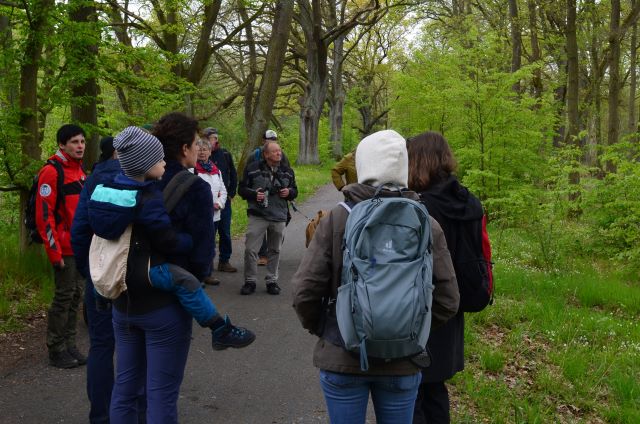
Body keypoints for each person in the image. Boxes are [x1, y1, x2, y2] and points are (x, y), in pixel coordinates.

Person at [291, 129, 460, 424]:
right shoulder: (425, 222)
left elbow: (305, 291)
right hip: (403, 362)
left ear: (364, 164)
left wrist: (328, 328)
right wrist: (410, 329)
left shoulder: (337, 219)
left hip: (342, 356)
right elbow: (448, 299)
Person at [104, 117, 248, 422]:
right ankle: (219, 329)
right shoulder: (193, 187)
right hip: (164, 305)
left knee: (126, 388)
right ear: (184, 148)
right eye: (196, 144)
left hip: (123, 297)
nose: (198, 149)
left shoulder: (116, 179)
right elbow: (201, 255)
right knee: (162, 393)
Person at [71, 136, 147, 423]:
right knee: (139, 345)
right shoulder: (146, 179)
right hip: (136, 279)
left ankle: (101, 417)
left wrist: (90, 273)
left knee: (101, 346)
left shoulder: (94, 179)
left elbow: (79, 231)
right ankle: (139, 413)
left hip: (100, 276)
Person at [407, 131, 479, 424]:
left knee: (414, 391)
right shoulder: (467, 200)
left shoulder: (419, 205)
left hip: (422, 307)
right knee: (436, 387)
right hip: (455, 304)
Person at [35, 124, 87, 369]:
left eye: (82, 142)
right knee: (64, 297)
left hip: (79, 246)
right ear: (62, 145)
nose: (80, 146)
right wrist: (54, 253)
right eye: (75, 142)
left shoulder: (79, 171)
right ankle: (56, 348)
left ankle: (70, 344)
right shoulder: (51, 172)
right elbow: (45, 217)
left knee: (76, 296)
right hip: (63, 249)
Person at [238, 141, 297, 295]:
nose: (279, 153)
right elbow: (242, 189)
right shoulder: (252, 169)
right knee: (251, 249)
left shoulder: (288, 171)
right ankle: (250, 281)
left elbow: (294, 191)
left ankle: (272, 281)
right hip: (258, 215)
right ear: (266, 154)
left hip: (279, 215)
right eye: (275, 151)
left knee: (275, 250)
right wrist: (253, 194)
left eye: (280, 150)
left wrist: (289, 192)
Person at [246, 129, 291, 265]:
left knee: (281, 222)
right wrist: (253, 193)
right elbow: (247, 175)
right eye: (269, 139)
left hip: (278, 198)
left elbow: (288, 173)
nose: (272, 142)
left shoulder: (282, 155)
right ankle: (262, 254)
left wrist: (288, 190)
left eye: (274, 139)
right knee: (261, 222)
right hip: (259, 197)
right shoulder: (255, 155)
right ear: (263, 140)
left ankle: (273, 251)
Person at [193, 137, 227, 285]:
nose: (202, 152)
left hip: (214, 215)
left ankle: (208, 273)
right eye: (199, 149)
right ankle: (196, 275)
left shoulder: (215, 170)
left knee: (210, 244)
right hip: (198, 214)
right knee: (198, 244)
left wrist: (219, 203)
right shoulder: (192, 169)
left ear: (210, 152)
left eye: (205, 149)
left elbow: (223, 190)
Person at [203, 128, 238, 273]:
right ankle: (207, 264)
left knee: (225, 232)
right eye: (212, 138)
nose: (215, 140)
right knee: (209, 233)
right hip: (207, 204)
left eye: (216, 137)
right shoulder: (201, 157)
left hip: (224, 200)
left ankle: (224, 261)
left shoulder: (225, 154)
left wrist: (230, 193)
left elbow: (233, 173)